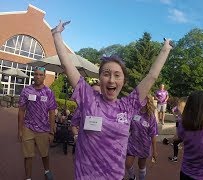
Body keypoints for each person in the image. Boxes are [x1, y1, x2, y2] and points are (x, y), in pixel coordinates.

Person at [51, 21, 172, 179]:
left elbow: (152, 76)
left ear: (123, 80)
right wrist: (57, 35)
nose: (111, 80)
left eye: (117, 75)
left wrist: (165, 49)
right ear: (100, 78)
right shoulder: (88, 98)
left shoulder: (128, 105)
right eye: (106, 74)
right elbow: (67, 66)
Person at [18, 66, 57, 180]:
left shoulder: (49, 92)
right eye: (36, 74)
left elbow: (52, 113)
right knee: (28, 155)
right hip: (28, 127)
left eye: (40, 74)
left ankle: (47, 170)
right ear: (33, 75)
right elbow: (21, 110)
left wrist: (51, 131)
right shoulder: (26, 90)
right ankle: (28, 178)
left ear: (45, 77)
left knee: (44, 153)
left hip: (43, 129)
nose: (38, 77)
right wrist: (20, 130)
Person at [125, 95, 158, 180]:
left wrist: (154, 151)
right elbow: (128, 127)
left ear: (147, 102)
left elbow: (153, 134)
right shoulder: (134, 112)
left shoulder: (151, 117)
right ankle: (133, 177)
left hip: (144, 145)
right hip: (132, 143)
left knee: (141, 165)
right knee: (128, 164)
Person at [168, 97, 187, 162]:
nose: (179, 108)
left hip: (186, 135)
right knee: (176, 142)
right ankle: (175, 157)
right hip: (182, 132)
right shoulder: (180, 117)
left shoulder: (186, 116)